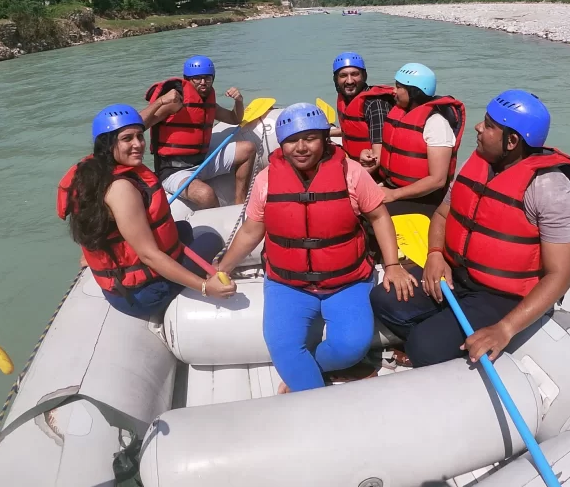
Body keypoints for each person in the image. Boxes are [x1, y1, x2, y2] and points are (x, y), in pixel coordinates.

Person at [371, 90, 570, 367]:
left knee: (424, 347)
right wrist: (435, 254)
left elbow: (560, 275)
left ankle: (432, 345)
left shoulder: (551, 188)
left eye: (488, 125)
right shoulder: (477, 162)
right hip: (456, 275)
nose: (477, 127)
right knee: (384, 300)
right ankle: (439, 339)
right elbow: (441, 214)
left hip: (502, 295)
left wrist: (505, 329)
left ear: (511, 141)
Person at [214, 103, 413, 393]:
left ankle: (305, 373)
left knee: (351, 347)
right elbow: (252, 229)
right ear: (282, 145)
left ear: (325, 138)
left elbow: (379, 216)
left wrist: (392, 266)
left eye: (310, 138)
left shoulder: (352, 172)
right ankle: (313, 390)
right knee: (282, 346)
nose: (301, 147)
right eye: (293, 140)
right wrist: (222, 268)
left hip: (347, 281)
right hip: (287, 283)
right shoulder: (266, 179)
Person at [57, 104, 235, 319]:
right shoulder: (121, 189)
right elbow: (149, 255)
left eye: (140, 136)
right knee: (210, 239)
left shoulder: (92, 172)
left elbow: (96, 223)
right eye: (127, 138)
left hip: (121, 282)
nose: (138, 144)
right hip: (143, 295)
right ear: (108, 143)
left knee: (184, 229)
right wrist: (206, 287)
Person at [140, 55, 256, 209]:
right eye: (198, 78)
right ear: (187, 79)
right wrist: (160, 101)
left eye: (207, 78)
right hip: (173, 171)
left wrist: (239, 101)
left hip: (202, 161)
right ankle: (218, 222)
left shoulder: (207, 103)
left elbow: (234, 118)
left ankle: (239, 204)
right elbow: (137, 125)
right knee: (205, 194)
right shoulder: (174, 104)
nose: (203, 83)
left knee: (248, 149)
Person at [376, 63, 466, 217]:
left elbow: (437, 180)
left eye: (398, 87)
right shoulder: (400, 113)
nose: (393, 91)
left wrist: (394, 194)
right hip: (394, 188)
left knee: (370, 214)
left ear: (414, 92)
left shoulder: (436, 123)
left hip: (425, 200)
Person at [331, 51, 394, 171]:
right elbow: (352, 130)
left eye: (355, 74)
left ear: (364, 76)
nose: (349, 81)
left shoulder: (375, 105)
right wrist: (324, 133)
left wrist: (350, 179)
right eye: (343, 75)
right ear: (336, 79)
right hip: (353, 161)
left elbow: (378, 159)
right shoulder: (345, 98)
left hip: (373, 172)